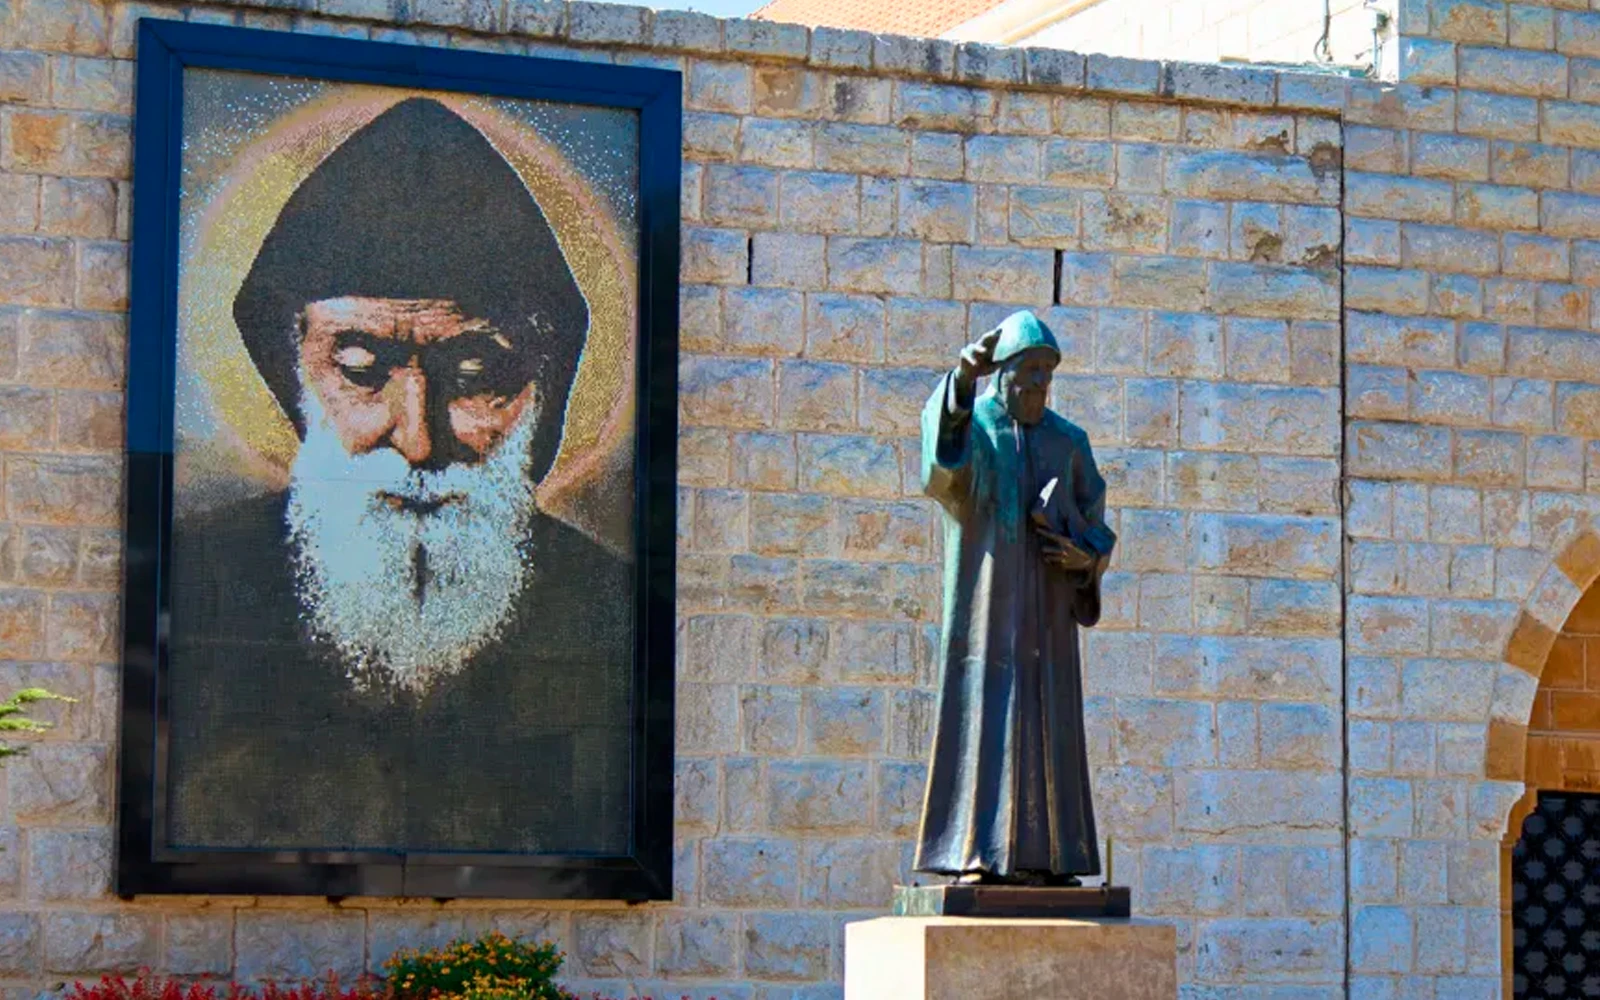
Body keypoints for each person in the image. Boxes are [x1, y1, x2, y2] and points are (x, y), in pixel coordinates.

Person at [164, 98, 633, 855]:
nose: (417, 438)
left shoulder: (616, 605)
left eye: (477, 372)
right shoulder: (192, 575)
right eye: (359, 369)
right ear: (292, 376)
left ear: (545, 392)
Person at [914, 310, 1115, 886]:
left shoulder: (1069, 441)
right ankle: (974, 853)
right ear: (1002, 373)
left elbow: (1097, 521)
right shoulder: (974, 426)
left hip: (1049, 615)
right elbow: (941, 472)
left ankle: (1055, 859)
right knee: (984, 713)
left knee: (1050, 721)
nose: (1037, 388)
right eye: (1028, 374)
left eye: (1046, 377)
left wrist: (1087, 558)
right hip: (989, 609)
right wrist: (959, 382)